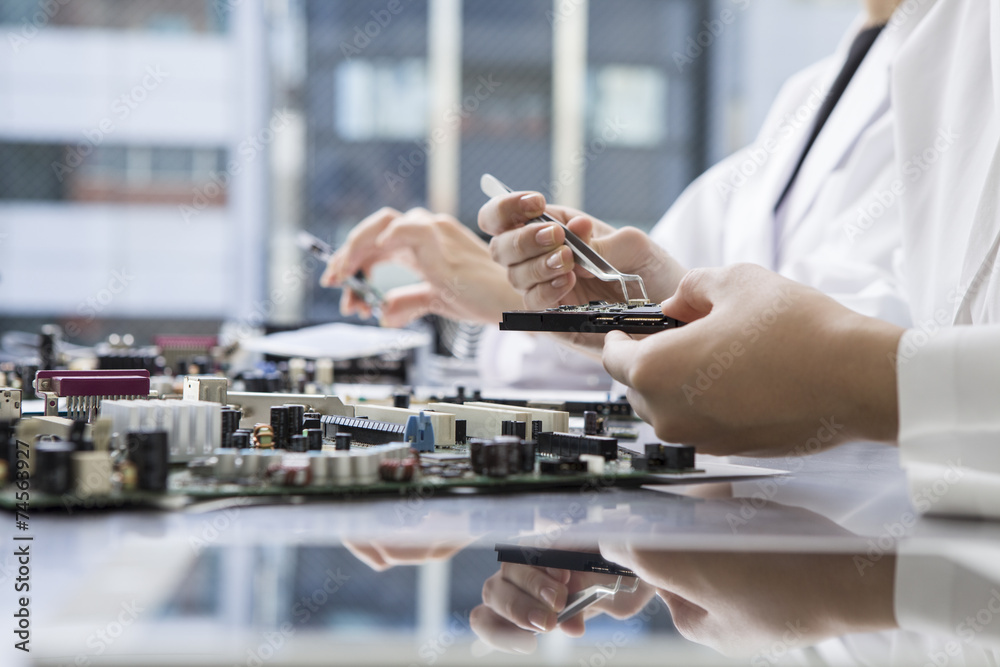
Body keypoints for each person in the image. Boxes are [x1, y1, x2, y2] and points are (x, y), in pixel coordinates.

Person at [324, 0, 919, 385]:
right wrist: (545, 305)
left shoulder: (958, 72)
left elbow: (874, 362)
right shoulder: (805, 97)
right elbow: (652, 320)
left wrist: (512, 301)